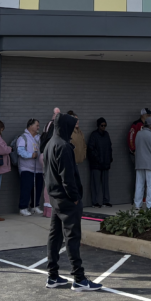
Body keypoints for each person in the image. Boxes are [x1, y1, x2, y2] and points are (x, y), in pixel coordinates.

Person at [43, 113, 102, 291]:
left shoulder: (50, 144)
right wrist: (75, 197)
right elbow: (67, 178)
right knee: (72, 238)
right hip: (68, 200)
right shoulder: (64, 147)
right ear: (66, 127)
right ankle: (79, 278)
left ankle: (52, 276)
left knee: (55, 237)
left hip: (55, 199)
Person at [17, 118, 45, 216]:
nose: (38, 127)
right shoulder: (23, 138)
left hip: (38, 168)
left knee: (38, 188)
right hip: (27, 168)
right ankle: (23, 207)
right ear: (30, 126)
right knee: (26, 188)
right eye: (36, 125)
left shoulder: (39, 138)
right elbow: (20, 151)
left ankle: (35, 206)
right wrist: (30, 155)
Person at [133, 117, 151, 209]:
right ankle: (150, 205)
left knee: (139, 184)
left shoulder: (138, 134)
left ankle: (137, 204)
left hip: (139, 163)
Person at [87, 118, 113, 207]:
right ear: (98, 125)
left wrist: (110, 158)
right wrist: (97, 158)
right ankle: (95, 202)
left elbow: (110, 147)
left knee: (106, 184)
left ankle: (106, 200)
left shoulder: (106, 134)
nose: (103, 127)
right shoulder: (94, 135)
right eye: (102, 125)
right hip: (96, 164)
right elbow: (90, 149)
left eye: (105, 125)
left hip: (105, 162)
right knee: (95, 184)